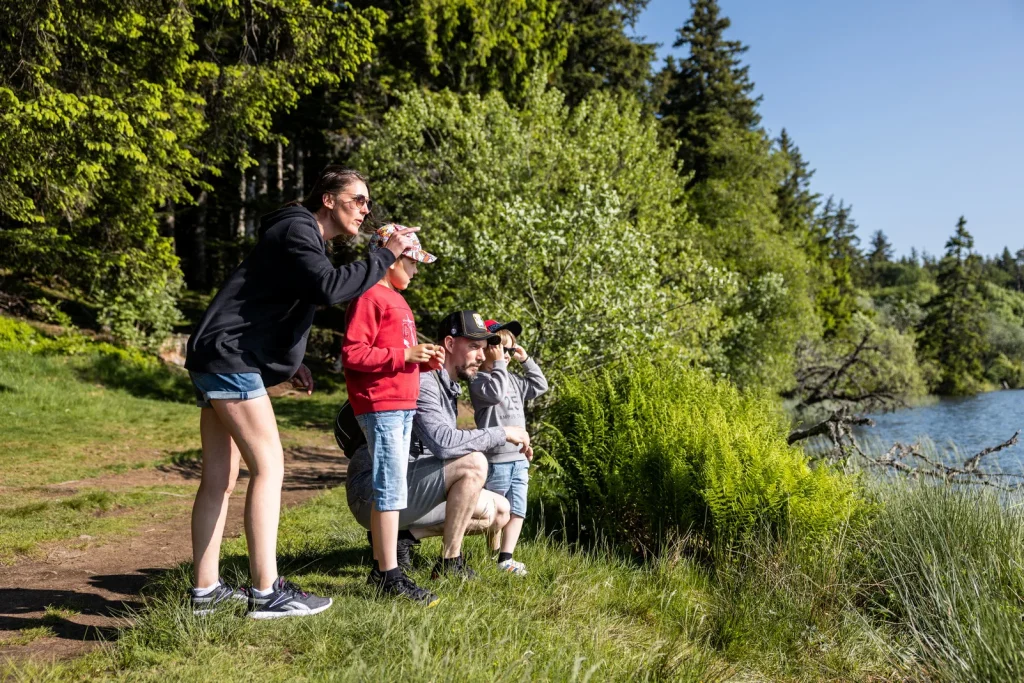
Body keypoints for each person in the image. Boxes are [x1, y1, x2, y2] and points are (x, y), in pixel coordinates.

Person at [184, 166, 417, 619]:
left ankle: (206, 590)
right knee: (269, 468)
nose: (366, 209)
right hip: (229, 360)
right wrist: (384, 255)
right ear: (328, 199)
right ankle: (267, 591)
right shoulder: (297, 228)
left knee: (220, 479)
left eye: (369, 202)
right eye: (358, 199)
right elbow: (327, 289)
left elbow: (268, 302)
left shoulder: (300, 237)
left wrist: (291, 363)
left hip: (221, 356)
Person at [345, 310, 531, 582]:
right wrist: (502, 433)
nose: (482, 355)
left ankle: (402, 536)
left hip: (410, 485)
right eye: (474, 347)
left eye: (483, 348)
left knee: (500, 511)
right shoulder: (424, 380)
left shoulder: (448, 385)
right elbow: (443, 444)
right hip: (373, 494)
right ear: (450, 344)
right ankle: (450, 562)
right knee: (474, 464)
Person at [341, 224, 442, 605]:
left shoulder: (398, 300)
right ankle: (388, 576)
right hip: (381, 407)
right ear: (392, 259)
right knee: (389, 488)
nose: (415, 271)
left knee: (395, 487)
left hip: (401, 406)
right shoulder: (369, 296)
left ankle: (386, 569)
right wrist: (405, 356)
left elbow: (398, 356)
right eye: (412, 262)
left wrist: (426, 361)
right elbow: (353, 354)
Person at [469, 319, 548, 576]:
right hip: (495, 459)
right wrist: (499, 365)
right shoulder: (479, 380)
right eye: (505, 349)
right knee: (494, 512)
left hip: (519, 458)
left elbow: (540, 386)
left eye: (511, 351)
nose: (509, 356)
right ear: (490, 349)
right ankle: (482, 549)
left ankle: (506, 558)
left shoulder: (512, 378)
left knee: (518, 510)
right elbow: (495, 394)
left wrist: (526, 361)